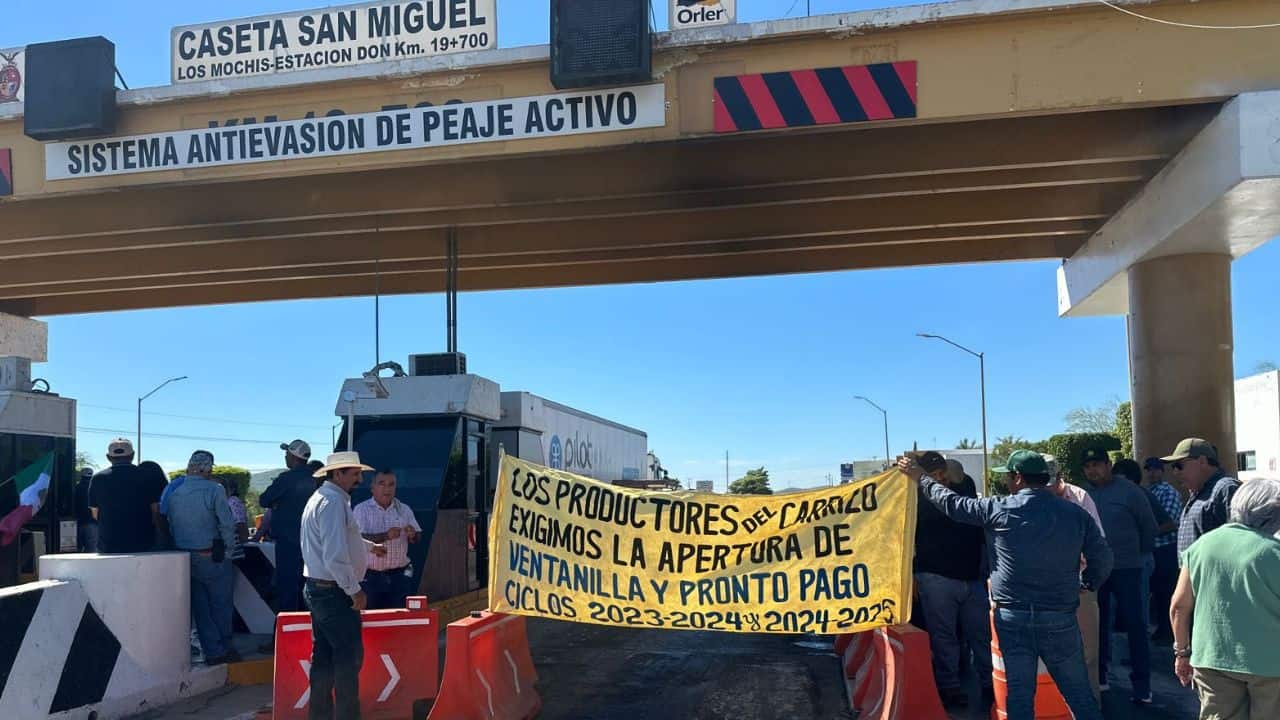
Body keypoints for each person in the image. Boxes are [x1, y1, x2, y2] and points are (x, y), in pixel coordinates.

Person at [898, 450, 1111, 720]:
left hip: (1013, 617)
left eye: (1008, 476)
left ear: (1018, 478)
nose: (1007, 482)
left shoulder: (997, 508)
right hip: (1060, 616)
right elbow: (1103, 557)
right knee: (1079, 694)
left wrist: (920, 477)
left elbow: (951, 503)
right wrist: (1086, 582)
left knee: (1020, 695)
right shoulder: (1075, 514)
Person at [1171, 477, 1280, 719]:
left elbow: (1178, 607)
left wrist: (1182, 653)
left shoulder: (1201, 546)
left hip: (1212, 659)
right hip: (1272, 665)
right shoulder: (1274, 552)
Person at [301, 452, 386, 720]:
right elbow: (335, 554)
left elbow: (338, 541)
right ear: (338, 474)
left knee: (324, 659)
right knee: (347, 661)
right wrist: (354, 590)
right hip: (333, 591)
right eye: (355, 474)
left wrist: (369, 547)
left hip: (322, 589)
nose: (359, 479)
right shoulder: (333, 503)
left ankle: (321, 716)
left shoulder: (324, 500)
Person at [910, 453, 991, 706]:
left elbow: (958, 474)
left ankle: (989, 684)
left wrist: (934, 474)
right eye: (932, 474)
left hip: (972, 578)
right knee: (944, 637)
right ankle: (950, 687)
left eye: (941, 473)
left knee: (980, 636)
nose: (940, 478)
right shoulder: (915, 502)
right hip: (936, 578)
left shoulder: (962, 490)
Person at [1082, 447, 1156, 703]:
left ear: (1108, 464)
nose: (1093, 470)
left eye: (1097, 464)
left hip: (1128, 569)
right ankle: (1100, 679)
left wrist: (1138, 554)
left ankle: (1142, 686)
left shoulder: (1130, 492)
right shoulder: (1083, 494)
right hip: (1096, 572)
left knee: (1136, 626)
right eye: (1088, 466)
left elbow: (1148, 527)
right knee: (1098, 626)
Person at [166, 450, 239, 664]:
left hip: (185, 558)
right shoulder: (214, 489)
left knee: (201, 608)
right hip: (212, 556)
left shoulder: (175, 492)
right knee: (221, 605)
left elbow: (171, 524)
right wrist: (228, 552)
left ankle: (212, 651)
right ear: (208, 469)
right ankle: (224, 649)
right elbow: (227, 523)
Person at [1047, 465, 1106, 701]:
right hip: (1044, 589)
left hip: (1079, 586)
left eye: (1049, 483)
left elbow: (1098, 542)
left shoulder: (1080, 498)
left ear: (1060, 479)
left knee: (1087, 653)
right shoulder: (1033, 498)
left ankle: (1090, 707)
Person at [259, 440, 316, 616]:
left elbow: (264, 500)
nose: (285, 457)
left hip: (288, 544)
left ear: (293, 456)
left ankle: (287, 638)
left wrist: (279, 502)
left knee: (288, 593)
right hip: (313, 544)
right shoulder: (317, 479)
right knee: (309, 592)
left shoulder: (286, 479)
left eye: (287, 454)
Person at [354, 469, 422, 611]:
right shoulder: (361, 510)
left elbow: (418, 538)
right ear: (372, 488)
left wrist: (413, 534)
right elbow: (356, 540)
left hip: (399, 577)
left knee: (399, 621)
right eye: (382, 484)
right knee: (372, 621)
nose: (387, 489)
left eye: (391, 484)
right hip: (371, 577)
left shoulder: (404, 509)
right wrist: (385, 536)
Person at [1165, 438, 1240, 559]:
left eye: (1179, 465)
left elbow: (1240, 541)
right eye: (1173, 467)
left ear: (1202, 462)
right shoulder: (1198, 492)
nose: (1175, 472)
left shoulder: (1225, 489)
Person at [88, 438, 162, 553]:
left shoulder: (98, 478)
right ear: (132, 455)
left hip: (108, 544)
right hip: (143, 543)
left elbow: (95, 514)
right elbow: (155, 511)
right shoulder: (147, 476)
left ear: (108, 457)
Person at [1143, 457, 1181, 644]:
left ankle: (1169, 633)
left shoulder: (1168, 491)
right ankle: (1161, 631)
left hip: (1166, 549)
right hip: (1152, 550)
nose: (1151, 473)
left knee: (1166, 593)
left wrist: (1146, 532)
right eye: (1148, 469)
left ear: (1162, 471)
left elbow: (1172, 522)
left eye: (1155, 469)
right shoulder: (1146, 491)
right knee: (1156, 594)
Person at [74, 467, 98, 552]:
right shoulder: (95, 489)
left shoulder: (75, 488)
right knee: (91, 551)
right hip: (92, 523)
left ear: (81, 476)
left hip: (77, 523)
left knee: (76, 550)